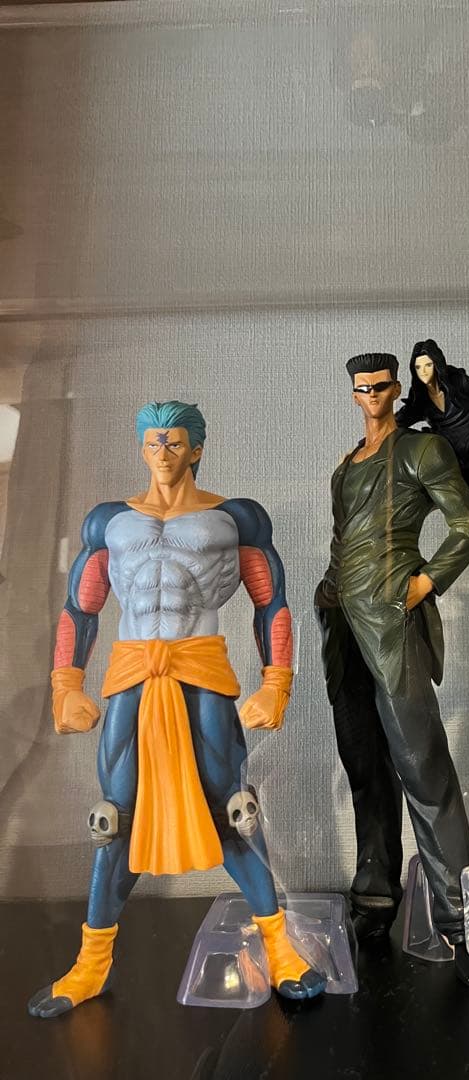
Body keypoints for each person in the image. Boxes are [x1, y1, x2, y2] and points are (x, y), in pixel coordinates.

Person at [29, 401, 326, 1018]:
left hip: (201, 670)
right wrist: (65, 684)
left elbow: (272, 603)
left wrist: (277, 683)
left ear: (196, 449)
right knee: (114, 817)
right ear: (141, 447)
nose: (161, 453)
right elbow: (80, 607)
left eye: (174, 442)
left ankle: (279, 949)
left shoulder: (234, 519)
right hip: (132, 674)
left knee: (235, 809)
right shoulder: (108, 523)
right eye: (152, 442)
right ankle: (92, 963)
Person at [316, 353, 469, 985]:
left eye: (381, 387)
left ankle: (461, 922)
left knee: (422, 765)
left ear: (396, 389)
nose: (371, 397)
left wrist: (424, 584)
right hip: (341, 620)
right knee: (363, 764)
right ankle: (374, 896)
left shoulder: (421, 451)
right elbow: (344, 542)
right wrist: (330, 597)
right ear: (353, 394)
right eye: (361, 389)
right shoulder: (346, 464)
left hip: (391, 619)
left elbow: (468, 526)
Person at [396, 339, 469, 533]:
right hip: (449, 459)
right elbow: (391, 425)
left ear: (437, 364)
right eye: (418, 367)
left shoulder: (458, 382)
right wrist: (361, 446)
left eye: (428, 365)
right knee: (410, 441)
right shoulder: (420, 399)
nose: (423, 371)